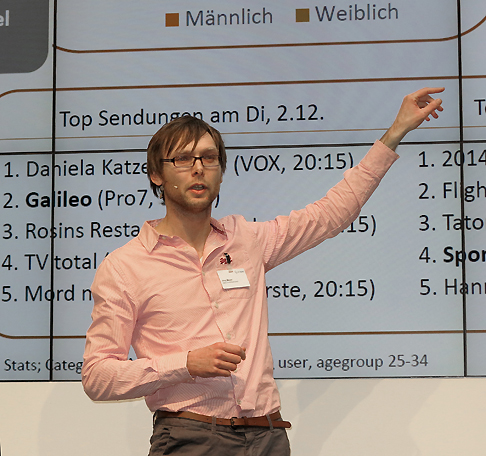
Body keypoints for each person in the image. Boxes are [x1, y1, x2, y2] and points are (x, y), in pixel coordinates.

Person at [82, 87, 445, 455]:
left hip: (268, 435)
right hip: (190, 436)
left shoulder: (246, 240)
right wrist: (186, 364)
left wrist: (395, 132)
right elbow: (97, 377)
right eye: (183, 159)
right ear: (156, 174)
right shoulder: (126, 266)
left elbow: (330, 214)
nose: (198, 168)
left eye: (209, 158)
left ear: (220, 174)